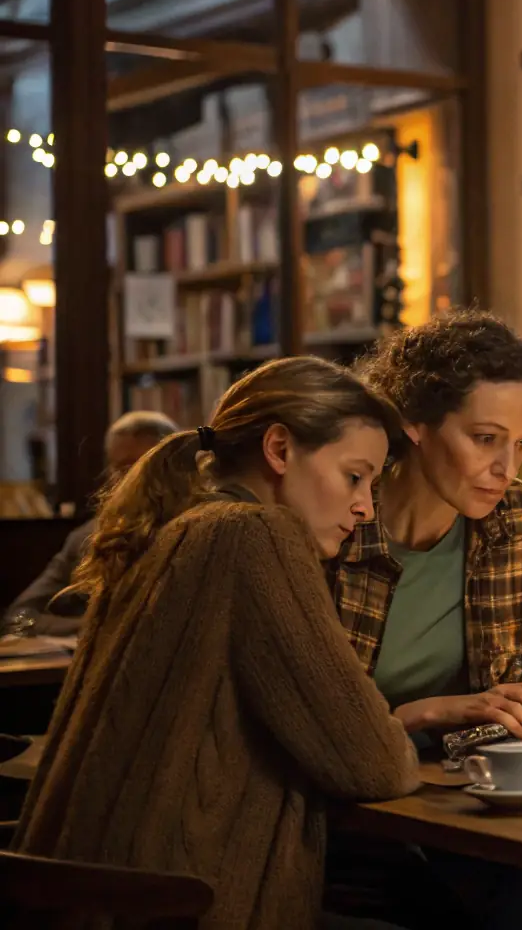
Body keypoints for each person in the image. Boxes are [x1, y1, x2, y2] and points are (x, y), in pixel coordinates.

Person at [14, 357, 420, 930]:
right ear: (279, 449)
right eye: (355, 476)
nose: (366, 507)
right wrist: (403, 727)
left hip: (96, 900)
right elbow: (375, 765)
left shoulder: (174, 526)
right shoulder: (255, 535)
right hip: (180, 906)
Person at [325, 308, 522, 930]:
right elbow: (310, 726)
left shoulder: (520, 519)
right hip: (345, 808)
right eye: (486, 438)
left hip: (462, 792)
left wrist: (504, 713)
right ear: (413, 423)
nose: (508, 469)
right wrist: (430, 714)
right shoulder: (336, 520)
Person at [2, 410, 178, 636]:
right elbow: (20, 616)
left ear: (175, 467)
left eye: (142, 465)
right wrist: (94, 628)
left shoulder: (198, 529)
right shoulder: (89, 537)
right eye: (121, 468)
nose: (131, 478)